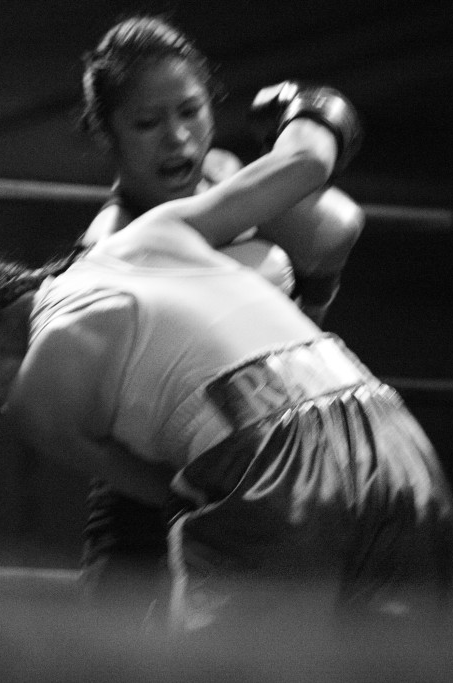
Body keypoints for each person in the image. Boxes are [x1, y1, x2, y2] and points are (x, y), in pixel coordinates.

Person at [0, 83, 453, 633]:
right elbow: (306, 169)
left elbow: (167, 491)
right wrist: (314, 112)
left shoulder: (38, 395)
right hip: (389, 431)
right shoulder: (150, 232)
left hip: (268, 460)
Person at [74, 14, 366, 605]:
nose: (178, 138)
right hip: (157, 496)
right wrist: (310, 113)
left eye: (190, 111)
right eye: (148, 123)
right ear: (107, 136)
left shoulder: (223, 178)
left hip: (260, 478)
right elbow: (91, 431)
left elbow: (334, 230)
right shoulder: (114, 250)